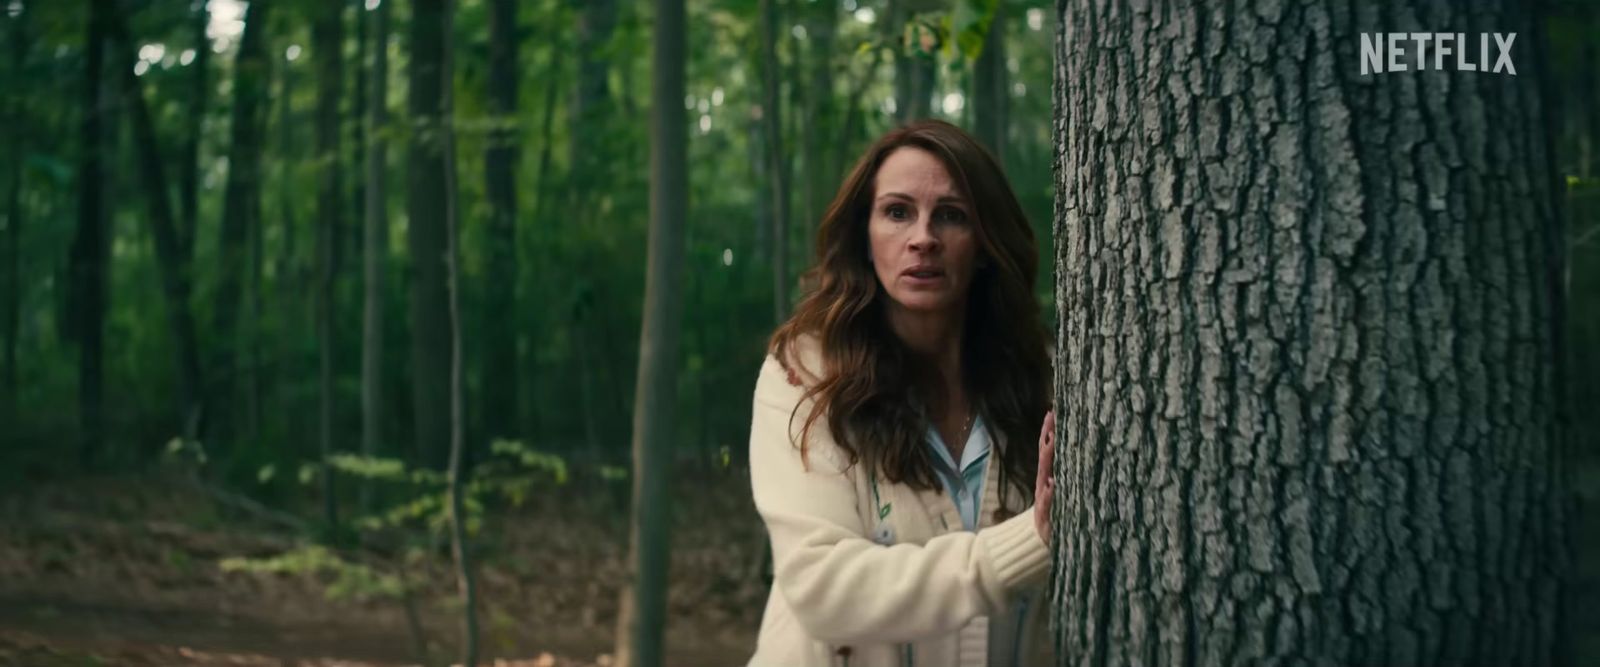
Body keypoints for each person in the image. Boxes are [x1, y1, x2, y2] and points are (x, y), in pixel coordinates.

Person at [747, 119, 1058, 666]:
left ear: (985, 244)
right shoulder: (805, 374)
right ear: (864, 238)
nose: (923, 237)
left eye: (952, 215)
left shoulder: (1045, 378)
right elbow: (822, 587)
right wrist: (1021, 547)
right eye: (897, 212)